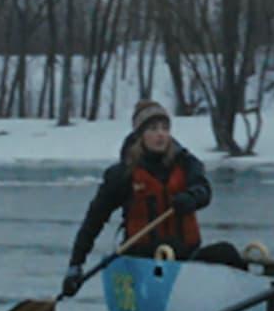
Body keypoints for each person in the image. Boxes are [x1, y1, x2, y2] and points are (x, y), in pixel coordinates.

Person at [62, 101, 213, 297]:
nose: (161, 134)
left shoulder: (187, 163)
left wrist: (193, 197)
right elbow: (94, 220)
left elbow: (204, 190)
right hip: (142, 259)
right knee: (167, 248)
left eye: (165, 128)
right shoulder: (122, 175)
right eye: (153, 129)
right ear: (140, 135)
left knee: (225, 252)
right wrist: (76, 264)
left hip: (185, 256)